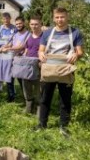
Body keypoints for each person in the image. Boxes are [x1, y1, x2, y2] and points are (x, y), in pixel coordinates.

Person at [34, 7, 83, 136]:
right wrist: (40, 54)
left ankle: (63, 126)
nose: (60, 20)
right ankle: (42, 124)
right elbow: (41, 50)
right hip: (49, 70)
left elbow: (80, 51)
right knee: (45, 98)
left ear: (67, 17)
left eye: (62, 17)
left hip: (66, 71)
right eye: (57, 17)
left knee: (65, 100)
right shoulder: (47, 33)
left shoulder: (75, 32)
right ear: (53, 18)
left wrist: (76, 56)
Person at [1, 16, 30, 93]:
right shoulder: (16, 34)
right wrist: (4, 46)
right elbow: (11, 43)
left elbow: (21, 46)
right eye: (17, 24)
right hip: (13, 59)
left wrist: (8, 49)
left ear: (24, 23)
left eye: (20, 23)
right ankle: (11, 96)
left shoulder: (28, 35)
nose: (18, 25)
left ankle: (27, 98)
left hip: (22, 62)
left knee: (22, 81)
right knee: (9, 78)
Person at [0, 12, 16, 102]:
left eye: (7, 18)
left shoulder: (14, 29)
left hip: (10, 53)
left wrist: (8, 47)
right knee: (0, 70)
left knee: (9, 73)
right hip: (1, 52)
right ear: (2, 20)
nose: (5, 20)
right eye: (4, 19)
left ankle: (12, 92)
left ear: (10, 19)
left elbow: (15, 40)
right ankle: (0, 88)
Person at [22, 16, 43, 114]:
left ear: (40, 24)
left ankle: (39, 107)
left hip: (39, 66)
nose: (34, 26)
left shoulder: (44, 37)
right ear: (29, 25)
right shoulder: (28, 36)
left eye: (36, 24)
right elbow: (26, 50)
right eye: (32, 24)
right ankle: (29, 106)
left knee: (39, 88)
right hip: (28, 66)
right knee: (26, 86)